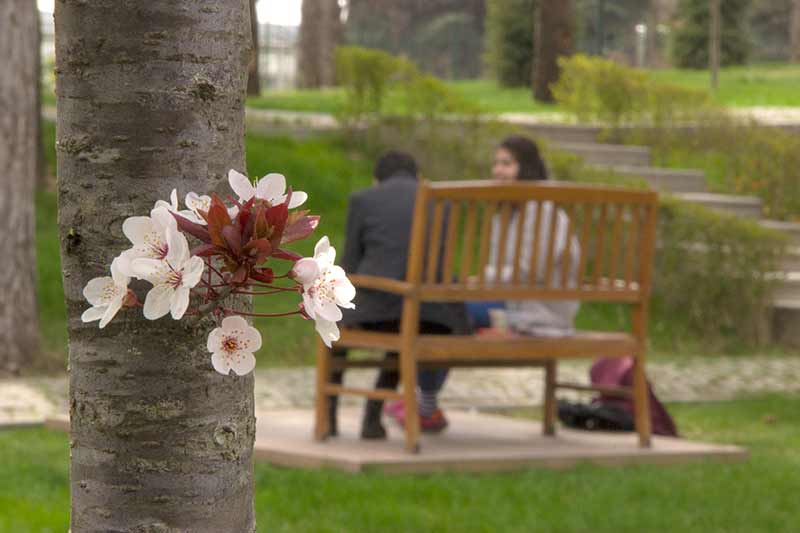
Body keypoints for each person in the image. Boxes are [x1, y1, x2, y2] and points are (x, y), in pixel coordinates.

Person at [329, 151, 469, 440]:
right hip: (433, 317)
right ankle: (372, 414)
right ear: (419, 177)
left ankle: (329, 416)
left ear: (377, 180)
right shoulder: (439, 202)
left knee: (335, 318)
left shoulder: (364, 200)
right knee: (406, 321)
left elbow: (349, 265)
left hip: (379, 312)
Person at [468, 135, 581, 336]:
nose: (498, 171)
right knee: (438, 312)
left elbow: (530, 273)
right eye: (496, 164)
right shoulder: (504, 213)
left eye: (506, 164)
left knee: (445, 313)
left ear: (526, 168)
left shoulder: (544, 212)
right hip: (510, 304)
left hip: (538, 313)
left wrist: (485, 277)